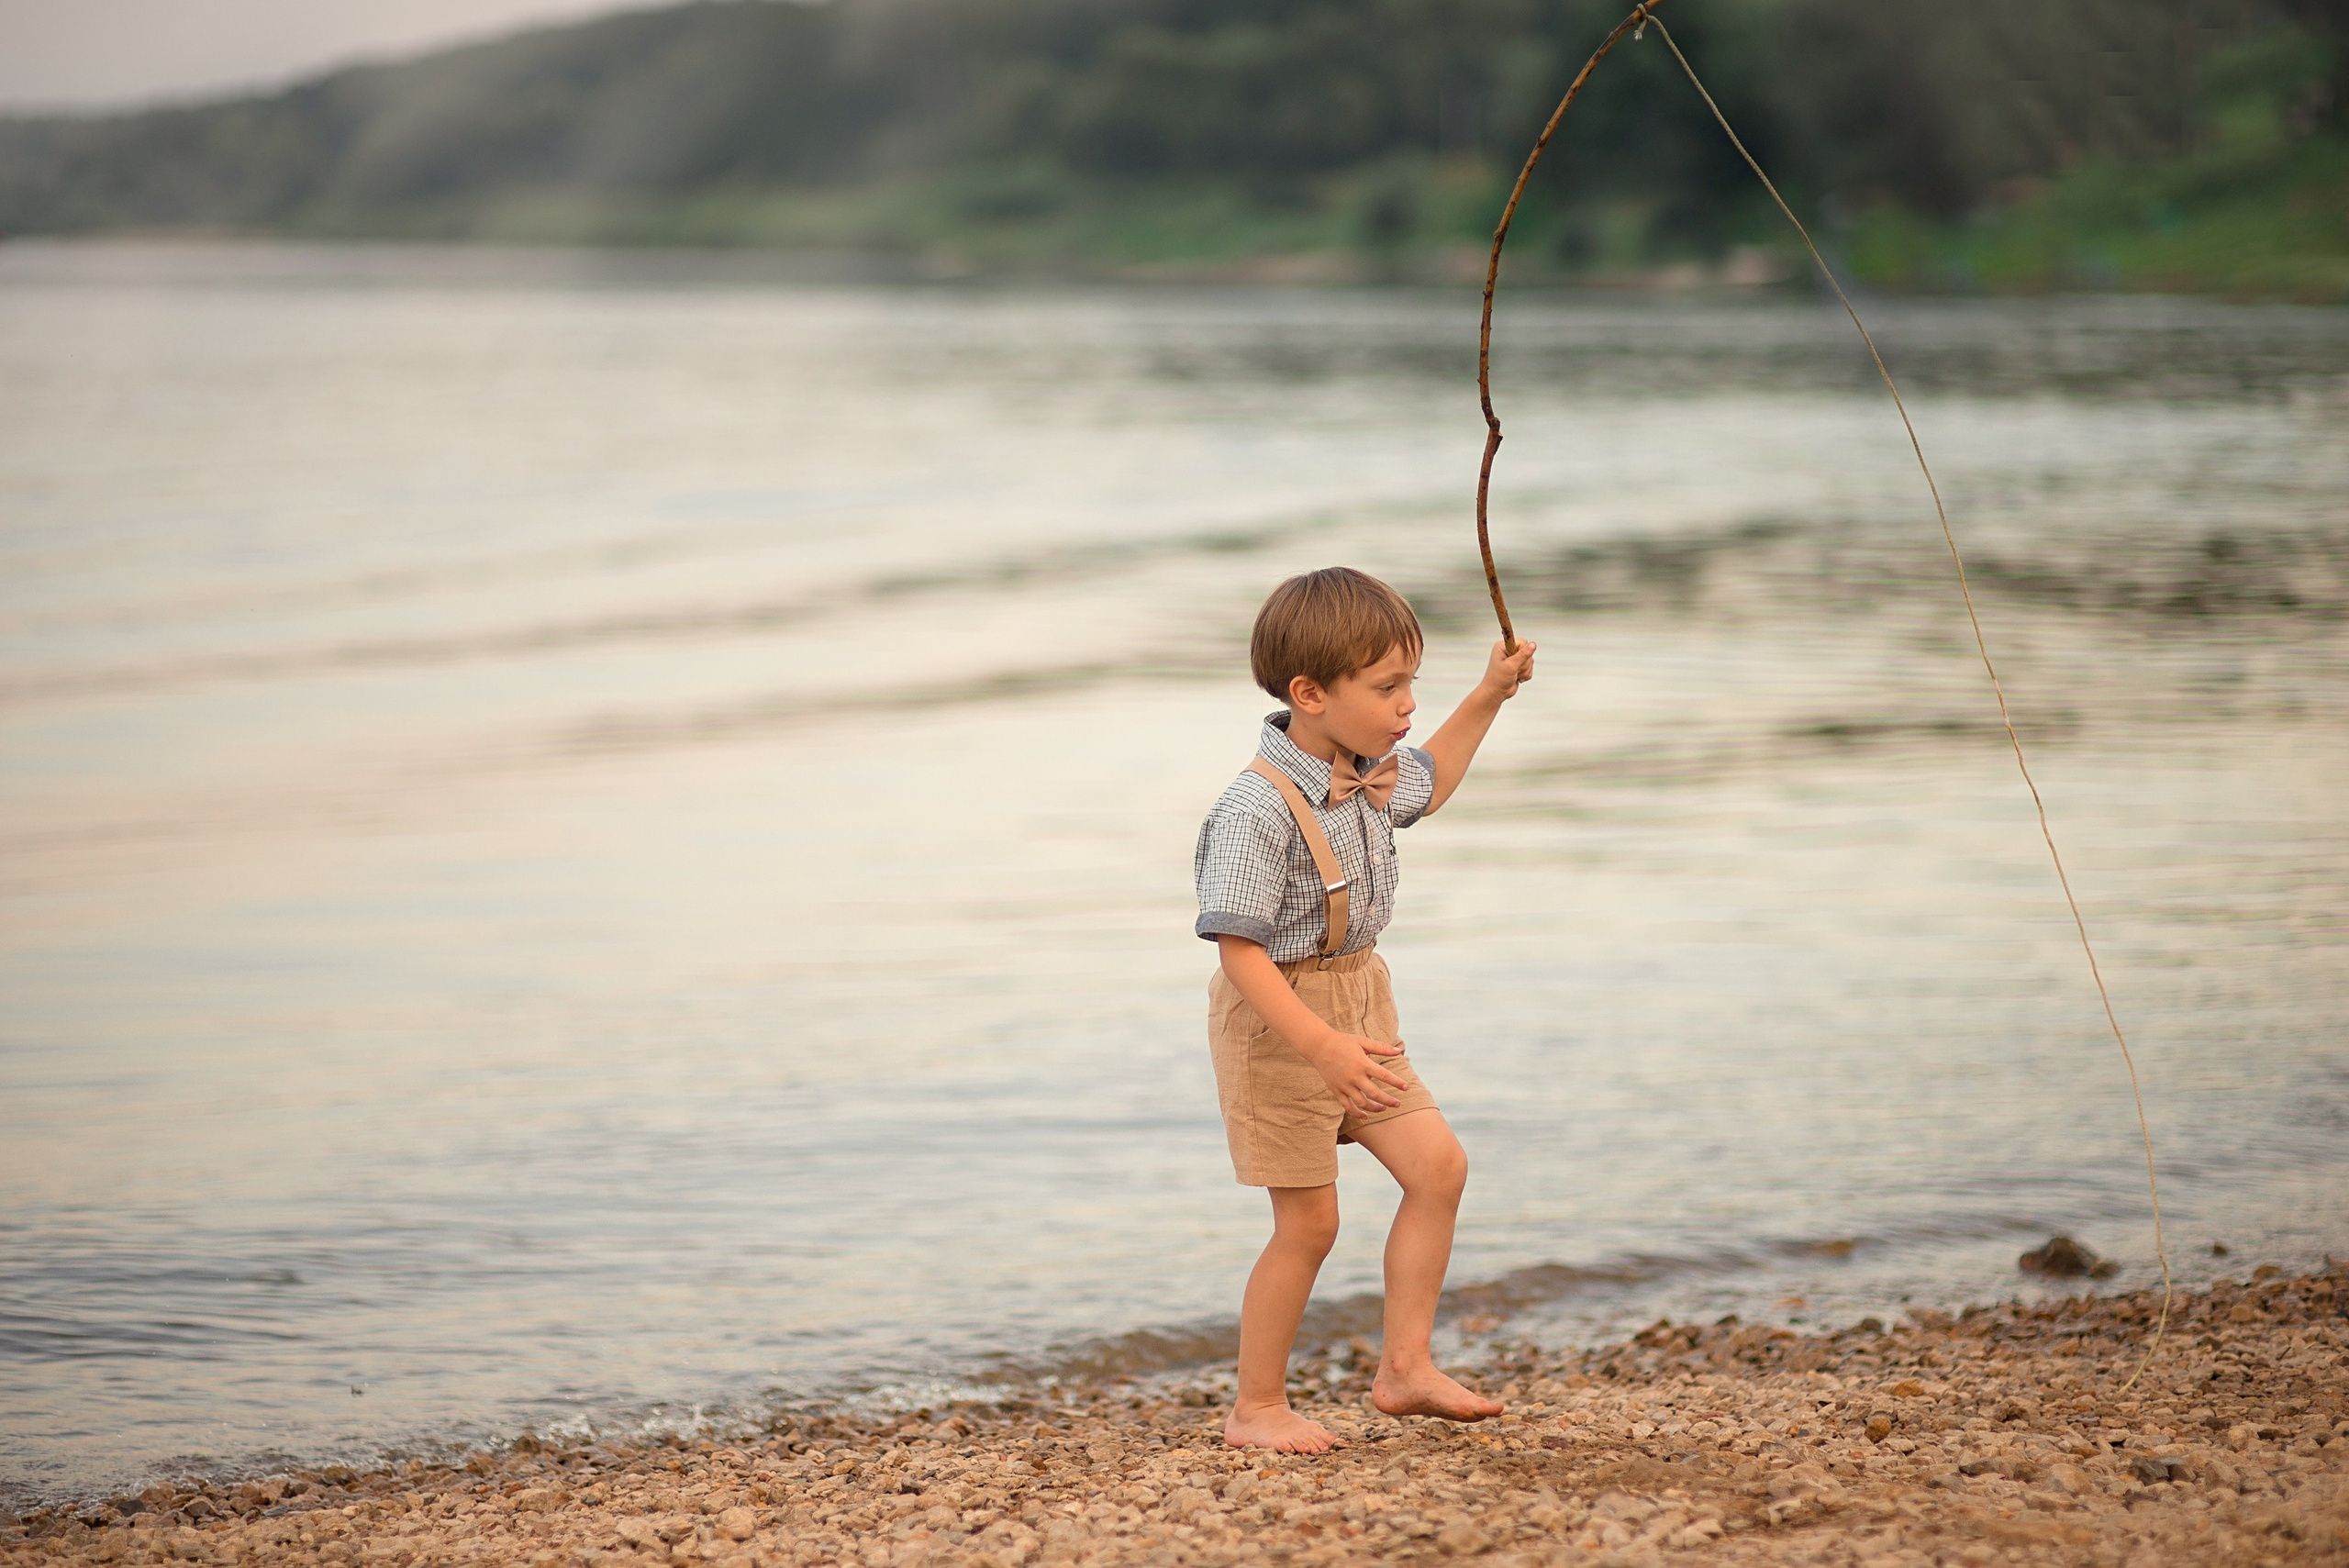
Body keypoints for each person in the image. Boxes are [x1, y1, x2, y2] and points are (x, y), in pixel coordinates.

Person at [1194, 566, 1538, 1453]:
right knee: (1310, 1220)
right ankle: (1256, 1407)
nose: (1408, 706)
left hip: (1358, 997)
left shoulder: (1369, 772)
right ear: (1309, 694)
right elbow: (1240, 952)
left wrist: (1490, 692)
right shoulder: (1253, 807)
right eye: (1389, 688)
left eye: (1411, 683)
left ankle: (1405, 1367)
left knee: (1439, 1167)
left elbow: (1436, 775)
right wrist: (1321, 1046)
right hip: (1279, 1020)